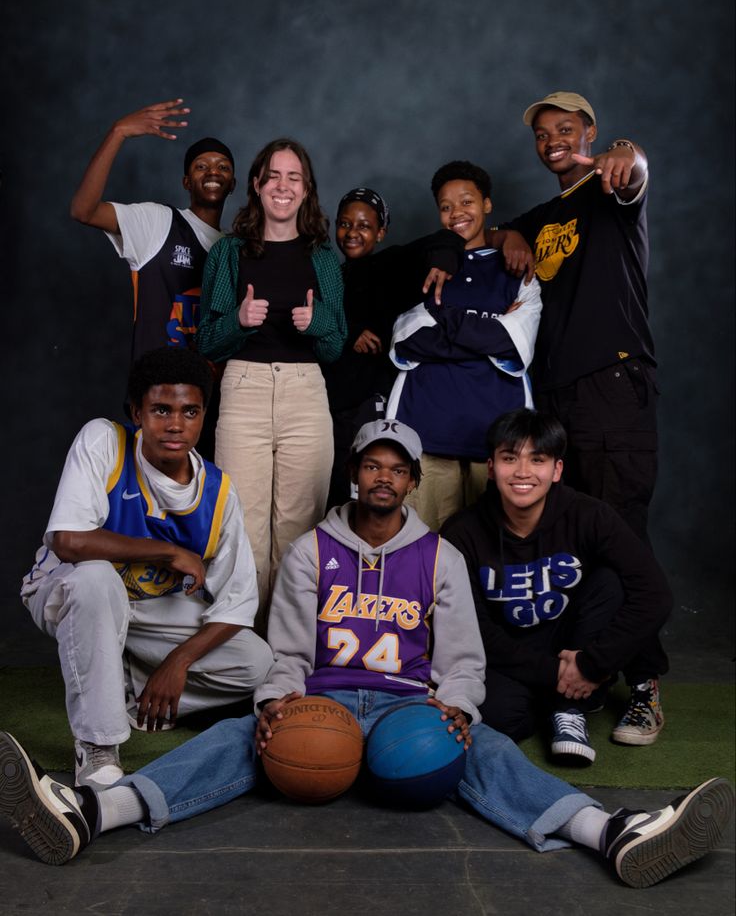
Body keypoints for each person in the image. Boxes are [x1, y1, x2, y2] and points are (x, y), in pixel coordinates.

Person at [1, 420, 732, 889]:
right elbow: (283, 647)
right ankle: (95, 811)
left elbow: (465, 660)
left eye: (397, 468)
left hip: (408, 704)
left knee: (484, 749)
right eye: (371, 467)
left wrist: (455, 706)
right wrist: (272, 701)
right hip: (319, 697)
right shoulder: (311, 550)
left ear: (413, 480)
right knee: (238, 740)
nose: (383, 478)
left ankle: (609, 832)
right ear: (356, 475)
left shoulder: (440, 556)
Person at [494, 91, 667, 745]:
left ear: (589, 131)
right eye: (541, 135)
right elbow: (498, 230)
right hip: (559, 398)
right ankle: (591, 673)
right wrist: (511, 234)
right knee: (575, 546)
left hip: (612, 386)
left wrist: (627, 154)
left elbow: (634, 169)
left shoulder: (608, 187)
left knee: (621, 539)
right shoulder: (547, 215)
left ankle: (646, 687)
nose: (552, 141)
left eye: (564, 130)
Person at [21, 347, 273, 789]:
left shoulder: (219, 493)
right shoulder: (105, 440)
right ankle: (98, 749)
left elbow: (235, 606)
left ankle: (133, 695)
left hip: (147, 612)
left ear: (203, 416)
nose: (175, 424)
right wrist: (165, 552)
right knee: (98, 579)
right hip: (67, 591)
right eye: (160, 409)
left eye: (189, 411)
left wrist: (176, 663)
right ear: (137, 412)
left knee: (255, 661)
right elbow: (67, 540)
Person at [441, 408, 672, 762]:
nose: (522, 472)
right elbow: (473, 628)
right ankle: (570, 696)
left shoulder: (589, 515)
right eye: (509, 458)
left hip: (577, 643)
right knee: (501, 719)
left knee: (610, 581)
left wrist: (593, 664)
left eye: (538, 459)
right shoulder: (462, 532)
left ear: (557, 470)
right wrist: (558, 674)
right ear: (491, 467)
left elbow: (654, 593)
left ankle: (570, 708)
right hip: (509, 656)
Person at [196, 138, 346, 632]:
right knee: (243, 532)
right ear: (257, 186)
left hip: (307, 392)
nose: (283, 186)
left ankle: (289, 656)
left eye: (294, 178)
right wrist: (238, 320)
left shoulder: (322, 256)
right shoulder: (229, 253)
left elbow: (335, 347)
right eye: (274, 176)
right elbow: (207, 345)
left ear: (307, 192)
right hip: (244, 389)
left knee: (299, 533)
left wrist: (317, 323)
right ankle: (243, 655)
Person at [387, 161, 542, 530]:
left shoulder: (517, 268)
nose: (457, 213)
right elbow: (409, 338)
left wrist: (445, 317)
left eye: (467, 201)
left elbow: (511, 342)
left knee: (491, 556)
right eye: (446, 206)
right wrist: (487, 326)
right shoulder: (425, 266)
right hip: (424, 432)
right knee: (421, 553)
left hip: (498, 438)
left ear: (487, 205)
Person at [322, 186, 464, 506]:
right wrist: (350, 331)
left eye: (364, 225)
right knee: (329, 496)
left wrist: (443, 261)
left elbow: (446, 239)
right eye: (345, 224)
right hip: (327, 404)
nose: (352, 233)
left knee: (363, 495)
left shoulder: (390, 265)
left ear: (381, 232)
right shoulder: (328, 274)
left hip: (369, 401)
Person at [70, 97, 236, 364]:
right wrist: (118, 132)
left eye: (223, 167)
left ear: (233, 185)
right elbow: (83, 210)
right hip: (156, 393)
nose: (212, 172)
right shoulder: (159, 222)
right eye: (201, 167)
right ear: (185, 182)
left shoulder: (235, 248)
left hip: (212, 393)